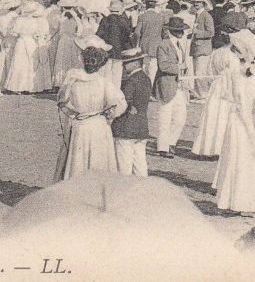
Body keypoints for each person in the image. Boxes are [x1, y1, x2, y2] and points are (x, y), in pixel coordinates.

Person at [212, 38, 255, 216]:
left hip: (236, 123)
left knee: (236, 160)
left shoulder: (238, 75)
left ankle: (233, 201)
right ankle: (248, 204)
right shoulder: (252, 81)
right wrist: (253, 133)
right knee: (249, 162)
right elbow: (247, 108)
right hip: (244, 123)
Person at [53, 43, 128, 182]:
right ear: (100, 65)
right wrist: (111, 114)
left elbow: (62, 102)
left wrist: (74, 114)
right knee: (99, 162)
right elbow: (121, 103)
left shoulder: (73, 82)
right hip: (99, 126)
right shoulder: (104, 83)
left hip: (80, 125)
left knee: (78, 162)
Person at [192, 32, 236, 157]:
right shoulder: (232, 56)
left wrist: (213, 83)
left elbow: (209, 72)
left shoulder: (215, 53)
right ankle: (220, 148)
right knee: (224, 115)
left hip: (216, 85)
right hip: (228, 85)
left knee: (212, 115)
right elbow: (235, 73)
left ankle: (208, 148)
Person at [153, 16, 191, 159]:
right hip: (166, 85)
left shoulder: (180, 45)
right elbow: (163, 66)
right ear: (171, 31)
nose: (181, 32)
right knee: (165, 118)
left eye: (181, 30)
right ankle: (163, 147)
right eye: (178, 30)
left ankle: (171, 142)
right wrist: (179, 67)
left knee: (180, 118)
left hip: (179, 85)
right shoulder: (163, 45)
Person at [112, 48, 152, 176]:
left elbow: (124, 103)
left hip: (126, 128)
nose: (124, 66)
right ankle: (143, 187)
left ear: (135, 63)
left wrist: (111, 116)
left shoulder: (130, 81)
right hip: (141, 126)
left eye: (126, 63)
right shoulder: (146, 79)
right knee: (140, 164)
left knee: (124, 166)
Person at [4, 1, 41, 94]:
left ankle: (17, 87)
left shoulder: (19, 20)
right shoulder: (35, 21)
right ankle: (30, 87)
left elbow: (15, 32)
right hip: (31, 42)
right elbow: (37, 33)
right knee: (30, 63)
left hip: (21, 42)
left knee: (19, 63)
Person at [190, 0, 216, 101]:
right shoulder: (197, 15)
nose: (196, 3)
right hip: (197, 48)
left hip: (203, 49)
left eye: (198, 2)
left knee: (200, 73)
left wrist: (197, 33)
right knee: (196, 72)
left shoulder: (206, 15)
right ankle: (198, 94)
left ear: (203, 3)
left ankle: (203, 95)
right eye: (194, 2)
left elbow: (211, 32)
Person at [134, 0, 165, 83]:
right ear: (155, 5)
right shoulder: (160, 17)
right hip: (157, 46)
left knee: (144, 68)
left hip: (145, 46)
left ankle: (145, 87)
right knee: (153, 69)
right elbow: (164, 33)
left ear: (146, 5)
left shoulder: (142, 17)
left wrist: (137, 43)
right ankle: (151, 86)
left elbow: (137, 33)